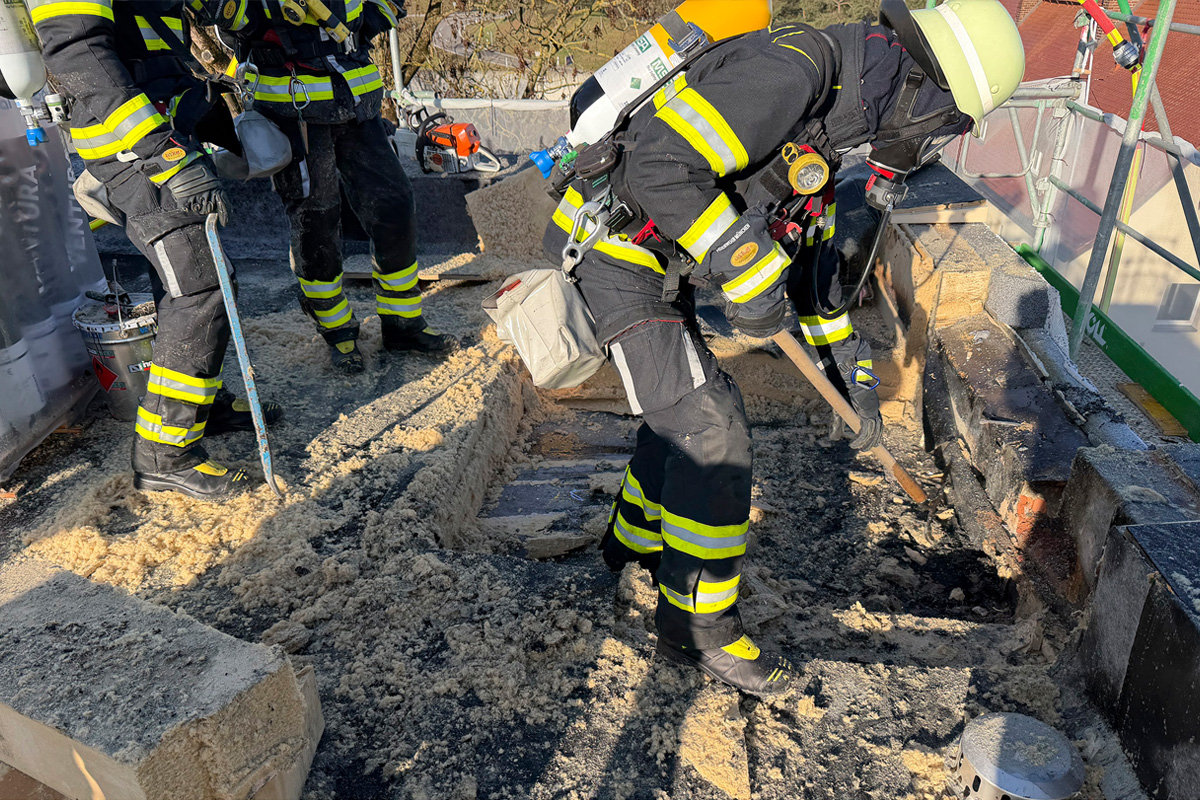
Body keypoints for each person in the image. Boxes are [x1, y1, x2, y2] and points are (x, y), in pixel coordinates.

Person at [542, 0, 1025, 695]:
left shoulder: (837, 121)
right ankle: (696, 628)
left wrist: (853, 387)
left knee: (681, 407)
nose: (933, 146)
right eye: (945, 126)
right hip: (612, 250)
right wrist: (742, 260)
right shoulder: (795, 72)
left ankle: (631, 542)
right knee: (710, 425)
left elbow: (813, 285)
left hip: (659, 255)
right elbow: (661, 168)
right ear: (922, 86)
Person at [30, 0, 282, 500]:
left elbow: (158, 56)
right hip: (136, 153)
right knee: (203, 287)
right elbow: (79, 57)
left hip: (163, 139)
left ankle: (200, 409)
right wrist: (164, 154)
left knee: (183, 283)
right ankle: (166, 455)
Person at [199, 0, 458, 374]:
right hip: (295, 108)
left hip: (357, 99)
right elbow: (229, 16)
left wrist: (367, 21)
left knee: (394, 204)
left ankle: (402, 323)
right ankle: (338, 332)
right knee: (316, 221)